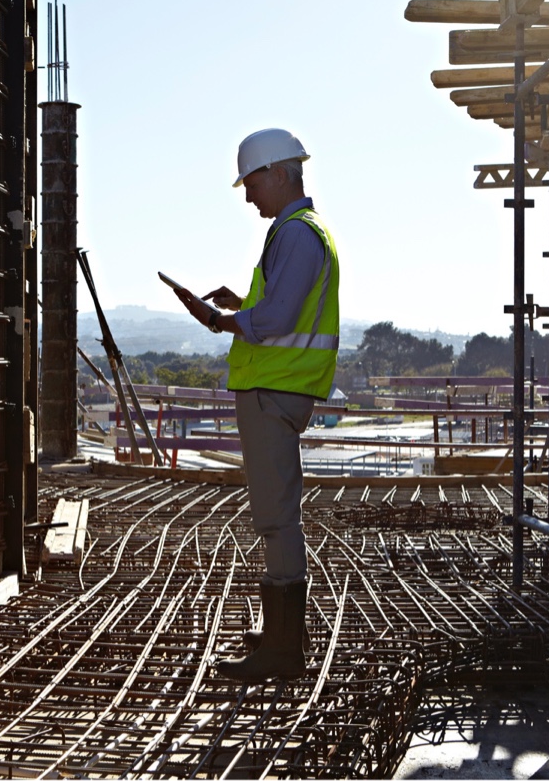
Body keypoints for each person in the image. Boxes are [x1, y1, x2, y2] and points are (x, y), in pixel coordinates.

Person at [173, 127, 340, 682]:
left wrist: (221, 320)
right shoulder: (302, 233)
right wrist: (243, 304)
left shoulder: (296, 234)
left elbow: (277, 321)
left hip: (274, 393)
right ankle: (282, 635)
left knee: (276, 518)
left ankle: (283, 649)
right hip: (279, 389)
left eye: (251, 183)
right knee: (277, 515)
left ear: (279, 173)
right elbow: (278, 310)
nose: (248, 196)